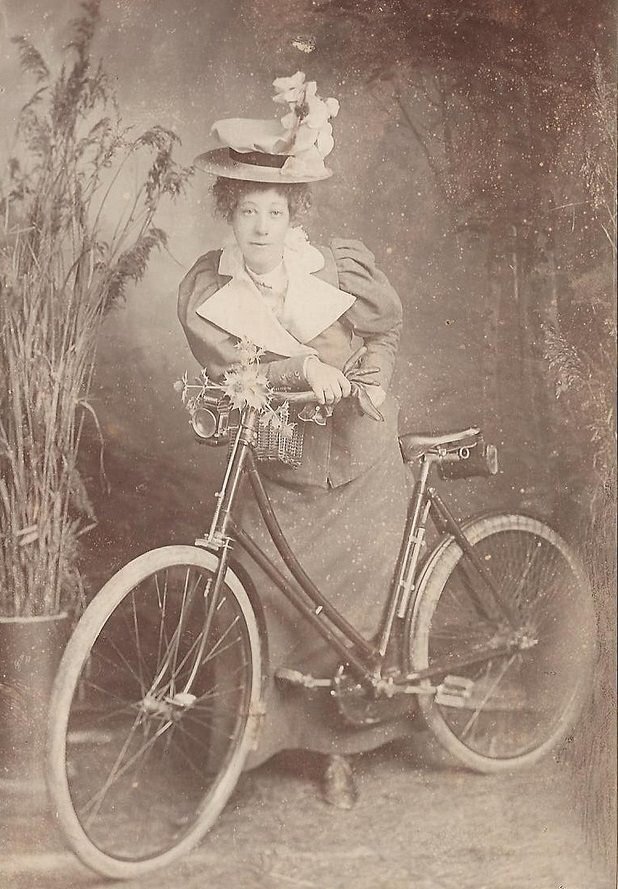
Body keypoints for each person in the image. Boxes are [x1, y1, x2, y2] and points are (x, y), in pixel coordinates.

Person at [178, 72, 413, 809]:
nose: (260, 227)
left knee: (353, 610)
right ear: (231, 213)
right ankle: (257, 745)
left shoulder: (337, 268)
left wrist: (365, 374)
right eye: (247, 211)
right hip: (278, 467)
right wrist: (299, 366)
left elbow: (386, 328)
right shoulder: (208, 292)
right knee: (259, 589)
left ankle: (344, 751)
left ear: (292, 215)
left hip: (356, 462)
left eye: (274, 212)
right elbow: (231, 364)